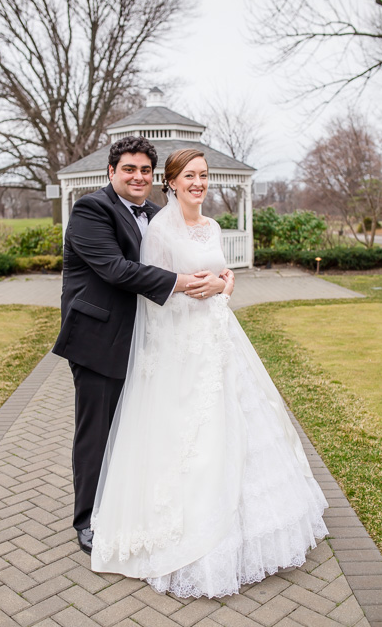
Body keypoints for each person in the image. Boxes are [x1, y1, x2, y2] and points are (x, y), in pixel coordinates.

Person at [90, 148, 328, 598]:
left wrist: (227, 282)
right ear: (172, 182)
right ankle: (195, 535)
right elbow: (150, 291)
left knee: (242, 425)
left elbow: (221, 273)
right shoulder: (159, 229)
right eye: (189, 176)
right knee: (195, 438)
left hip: (220, 338)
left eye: (203, 175)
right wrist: (197, 293)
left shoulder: (214, 225)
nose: (198, 183)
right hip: (181, 345)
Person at [52, 137, 228, 554]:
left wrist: (224, 280)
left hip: (151, 343)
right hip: (100, 339)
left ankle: (131, 508)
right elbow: (116, 269)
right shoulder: (90, 210)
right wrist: (186, 285)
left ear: (155, 177)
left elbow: (192, 257)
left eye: (145, 170)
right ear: (111, 172)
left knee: (141, 430)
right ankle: (88, 519)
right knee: (97, 431)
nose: (138, 177)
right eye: (129, 169)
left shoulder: (156, 213)